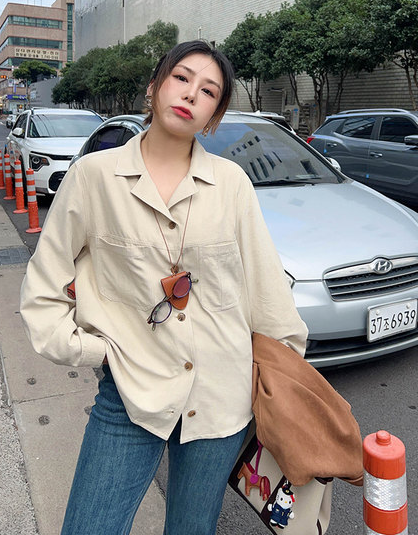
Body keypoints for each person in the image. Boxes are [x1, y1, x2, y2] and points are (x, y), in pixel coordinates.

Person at [20, 40, 308, 535]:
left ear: (214, 115)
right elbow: (44, 286)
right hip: (130, 391)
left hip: (220, 396)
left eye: (209, 91)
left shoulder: (232, 184)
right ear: (153, 87)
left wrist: (285, 379)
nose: (192, 94)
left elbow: (266, 292)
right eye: (182, 78)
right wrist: (95, 351)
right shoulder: (94, 177)